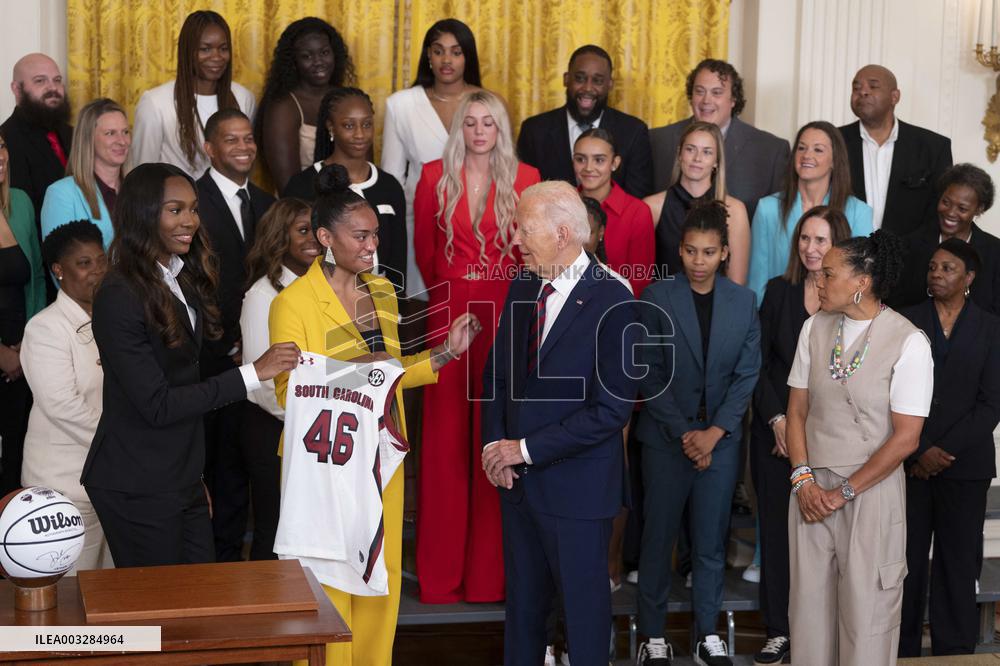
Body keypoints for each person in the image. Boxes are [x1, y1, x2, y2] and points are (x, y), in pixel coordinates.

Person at [269, 164, 480, 665]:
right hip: (322, 467)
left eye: (376, 235)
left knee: (378, 586)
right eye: (360, 235)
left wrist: (444, 356)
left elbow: (390, 374)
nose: (372, 245)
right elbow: (287, 389)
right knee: (325, 590)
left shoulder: (383, 291)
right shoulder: (291, 303)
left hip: (382, 459)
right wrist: (357, 367)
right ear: (325, 237)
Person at [80, 163, 298, 568]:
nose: (190, 221)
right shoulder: (117, 293)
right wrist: (253, 373)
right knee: (158, 617)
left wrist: (193, 476)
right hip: (136, 481)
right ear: (143, 214)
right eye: (175, 210)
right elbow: (159, 404)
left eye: (194, 209)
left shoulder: (180, 276)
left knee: (199, 604)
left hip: (180, 476)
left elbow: (188, 378)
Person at [481, 180, 639, 666]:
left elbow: (611, 411)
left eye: (526, 230)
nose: (517, 241)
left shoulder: (616, 299)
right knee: (524, 614)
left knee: (585, 619)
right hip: (519, 488)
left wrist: (523, 449)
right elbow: (497, 375)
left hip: (578, 492)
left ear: (564, 233)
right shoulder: (523, 284)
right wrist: (495, 448)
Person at [413, 89, 540, 604]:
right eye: (471, 122)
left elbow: (532, 252)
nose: (480, 131)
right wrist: (455, 290)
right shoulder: (429, 177)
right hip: (448, 312)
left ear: (500, 128)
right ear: (459, 128)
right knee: (444, 448)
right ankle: (440, 579)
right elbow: (424, 252)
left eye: (489, 122)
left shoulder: (527, 178)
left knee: (496, 440)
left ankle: (490, 579)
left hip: (506, 310)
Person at [786, 231, 933, 665]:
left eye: (828, 273)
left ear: (861, 282)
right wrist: (803, 480)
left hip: (870, 493)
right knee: (809, 616)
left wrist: (845, 491)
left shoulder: (909, 341)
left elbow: (907, 438)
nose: (818, 279)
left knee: (866, 618)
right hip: (810, 493)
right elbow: (796, 412)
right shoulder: (813, 327)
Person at [634, 201, 761, 666]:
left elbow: (746, 376)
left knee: (710, 544)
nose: (699, 260)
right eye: (691, 250)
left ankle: (707, 634)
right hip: (667, 441)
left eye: (709, 251)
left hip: (721, 444)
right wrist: (688, 435)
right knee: (658, 539)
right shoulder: (654, 297)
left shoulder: (743, 302)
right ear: (679, 250)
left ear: (725, 252)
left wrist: (713, 434)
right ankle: (652, 636)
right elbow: (648, 375)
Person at [749, 206, 853, 664]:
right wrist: (776, 421)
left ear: (840, 246)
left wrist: (805, 432)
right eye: (805, 240)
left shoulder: (850, 300)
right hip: (775, 439)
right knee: (776, 534)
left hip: (830, 441)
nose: (811, 249)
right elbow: (757, 363)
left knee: (825, 541)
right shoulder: (778, 291)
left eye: (822, 241)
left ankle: (821, 633)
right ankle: (779, 630)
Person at [899, 240, 1000, 657]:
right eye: (933, 266)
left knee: (958, 564)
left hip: (965, 466)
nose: (937, 274)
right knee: (904, 564)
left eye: (948, 268)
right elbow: (891, 394)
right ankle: (900, 649)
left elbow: (992, 403)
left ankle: (954, 652)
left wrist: (941, 452)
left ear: (969, 278)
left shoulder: (991, 327)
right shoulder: (905, 321)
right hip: (908, 463)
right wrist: (920, 449)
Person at [195, 108, 276, 562]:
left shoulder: (266, 202)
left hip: (261, 365)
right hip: (213, 360)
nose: (244, 147)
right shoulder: (193, 199)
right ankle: (219, 570)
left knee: (255, 468)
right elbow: (192, 280)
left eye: (248, 138)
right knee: (219, 471)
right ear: (210, 148)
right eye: (232, 140)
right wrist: (226, 339)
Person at [20, 220, 112, 573]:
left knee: (113, 591)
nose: (97, 271)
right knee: (73, 594)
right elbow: (64, 407)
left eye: (101, 260)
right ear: (58, 270)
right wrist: (126, 440)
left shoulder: (113, 319)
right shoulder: (44, 328)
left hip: (114, 479)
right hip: (63, 485)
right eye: (84, 263)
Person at [239, 197, 320, 560]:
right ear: (278, 238)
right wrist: (308, 420)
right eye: (302, 231)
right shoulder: (262, 295)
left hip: (316, 428)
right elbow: (263, 383)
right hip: (275, 427)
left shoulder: (324, 288)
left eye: (317, 230)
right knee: (275, 529)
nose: (313, 239)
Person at [381, 18, 482, 300]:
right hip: (417, 224)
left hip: (476, 226)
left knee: (472, 309)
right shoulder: (400, 104)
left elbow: (502, 170)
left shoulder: (486, 102)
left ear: (468, 56)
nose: (446, 59)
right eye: (438, 51)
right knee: (420, 309)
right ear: (427, 55)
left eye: (456, 51)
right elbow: (392, 177)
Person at [283, 87, 407, 294]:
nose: (360, 134)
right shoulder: (303, 185)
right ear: (330, 126)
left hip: (378, 304)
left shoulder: (389, 186)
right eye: (349, 125)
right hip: (321, 301)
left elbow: (398, 258)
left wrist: (397, 311)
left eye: (367, 124)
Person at [748, 120, 874, 303]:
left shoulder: (859, 212)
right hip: (780, 315)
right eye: (801, 148)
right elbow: (757, 281)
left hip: (836, 317)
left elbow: (861, 282)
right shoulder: (767, 209)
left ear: (834, 160)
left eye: (818, 149)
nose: (807, 155)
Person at [649, 59, 789, 219]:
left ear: (733, 99)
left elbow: (774, 222)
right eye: (699, 91)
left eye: (716, 93)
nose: (706, 100)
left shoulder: (771, 150)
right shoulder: (657, 140)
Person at [132, 11, 256, 178]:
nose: (217, 57)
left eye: (223, 49)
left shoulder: (243, 98)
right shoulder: (156, 103)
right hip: (177, 202)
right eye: (205, 49)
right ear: (187, 51)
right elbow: (142, 174)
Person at [518, 45, 653, 198]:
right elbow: (525, 195)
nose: (588, 88)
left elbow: (637, 199)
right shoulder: (534, 130)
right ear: (566, 79)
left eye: (598, 81)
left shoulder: (633, 132)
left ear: (610, 85)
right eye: (580, 78)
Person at [840, 64, 952, 235]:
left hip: (910, 255)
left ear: (895, 96)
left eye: (873, 86)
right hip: (847, 253)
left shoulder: (933, 147)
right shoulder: (834, 141)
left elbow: (940, 209)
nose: (863, 92)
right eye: (856, 88)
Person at [644, 120, 751, 284]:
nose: (697, 158)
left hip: (717, 307)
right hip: (663, 305)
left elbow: (736, 285)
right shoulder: (652, 207)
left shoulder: (735, 211)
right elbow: (641, 275)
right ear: (680, 154)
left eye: (707, 152)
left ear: (717, 161)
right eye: (690, 149)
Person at [256, 17, 355, 192]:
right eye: (307, 56)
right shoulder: (284, 107)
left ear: (335, 54)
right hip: (301, 210)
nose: (318, 62)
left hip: (349, 206)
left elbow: (364, 165)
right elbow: (289, 187)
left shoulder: (346, 99)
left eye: (324, 53)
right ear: (293, 62)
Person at [0, 128, 46, 496]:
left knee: (15, 457)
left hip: (22, 358)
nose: (0, 155)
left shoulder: (21, 203)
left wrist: (26, 348)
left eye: (1, 146)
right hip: (2, 356)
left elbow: (37, 282)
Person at [893, 164, 1000, 314]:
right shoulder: (910, 245)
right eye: (946, 202)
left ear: (979, 209)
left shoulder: (995, 253)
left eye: (962, 208)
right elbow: (896, 305)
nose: (950, 212)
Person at [572, 128, 655, 295]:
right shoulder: (560, 205)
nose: (588, 167)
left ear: (615, 163)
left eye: (599, 160)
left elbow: (640, 281)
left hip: (616, 310)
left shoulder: (637, 212)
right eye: (581, 159)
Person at [41, 98, 130, 246]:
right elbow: (61, 263)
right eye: (110, 133)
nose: (122, 141)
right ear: (88, 138)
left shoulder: (137, 189)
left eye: (125, 132)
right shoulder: (61, 194)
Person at [1, 53, 73, 228]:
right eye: (40, 81)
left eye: (57, 80)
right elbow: (21, 215)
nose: (53, 88)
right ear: (17, 89)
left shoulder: (73, 133)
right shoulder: (6, 141)